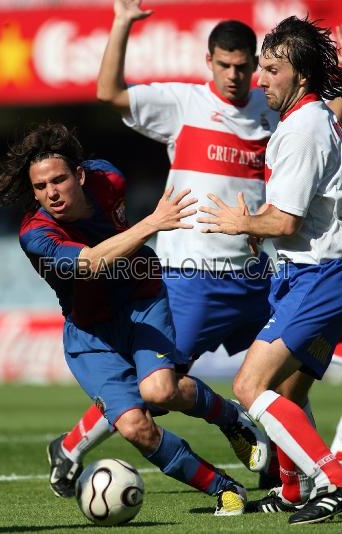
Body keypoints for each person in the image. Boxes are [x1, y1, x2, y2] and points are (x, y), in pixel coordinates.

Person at [46, 0, 281, 498]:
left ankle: (283, 468)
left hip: (257, 275)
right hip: (192, 275)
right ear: (209, 62)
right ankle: (69, 447)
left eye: (244, 66)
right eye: (225, 65)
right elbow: (109, 92)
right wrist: (121, 23)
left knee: (288, 367)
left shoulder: (271, 110)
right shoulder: (183, 103)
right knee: (157, 389)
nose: (235, 75)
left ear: (255, 65)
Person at [0, 120, 263, 517]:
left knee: (159, 391)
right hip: (90, 333)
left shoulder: (109, 178)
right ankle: (225, 489)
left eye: (59, 179)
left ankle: (232, 419)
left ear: (80, 175)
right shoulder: (36, 235)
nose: (51, 192)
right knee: (136, 427)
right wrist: (152, 223)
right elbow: (91, 263)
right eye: (40, 186)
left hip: (142, 300)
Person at [197, 15, 342, 525]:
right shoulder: (306, 118)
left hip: (319, 276)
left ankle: (334, 480)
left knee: (247, 385)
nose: (260, 79)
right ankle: (294, 489)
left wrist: (244, 221)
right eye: (261, 67)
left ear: (300, 74)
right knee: (288, 389)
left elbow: (287, 220)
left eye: (271, 69)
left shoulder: (303, 128)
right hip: (312, 273)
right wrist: (258, 224)